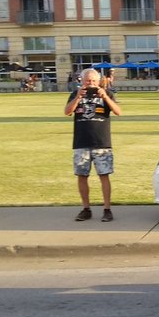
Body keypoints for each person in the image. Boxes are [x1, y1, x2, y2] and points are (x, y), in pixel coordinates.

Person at [64, 68, 122, 222]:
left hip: (101, 142)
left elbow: (118, 111)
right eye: (88, 81)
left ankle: (107, 209)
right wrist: (77, 97)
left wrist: (105, 97)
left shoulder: (107, 93)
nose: (91, 84)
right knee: (82, 176)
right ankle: (86, 208)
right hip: (81, 141)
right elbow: (67, 112)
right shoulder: (75, 94)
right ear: (81, 81)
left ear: (99, 81)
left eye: (94, 81)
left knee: (104, 175)